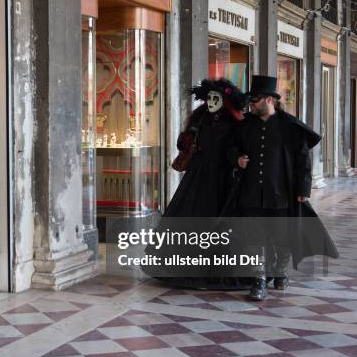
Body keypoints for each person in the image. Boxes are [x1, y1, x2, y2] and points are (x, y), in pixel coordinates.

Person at [225, 75, 339, 301]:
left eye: (255, 100)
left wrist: (303, 189)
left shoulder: (290, 126)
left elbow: (303, 160)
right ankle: (259, 281)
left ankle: (280, 270)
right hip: (251, 194)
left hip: (281, 194)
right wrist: (236, 159)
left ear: (269, 100)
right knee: (254, 238)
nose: (251, 104)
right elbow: (229, 148)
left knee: (282, 238)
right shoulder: (244, 126)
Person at [142, 79, 245, 288]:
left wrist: (236, 160)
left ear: (225, 101)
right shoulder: (199, 119)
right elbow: (185, 142)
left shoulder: (234, 123)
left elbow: (235, 147)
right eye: (208, 98)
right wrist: (187, 139)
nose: (211, 102)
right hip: (198, 175)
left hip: (222, 177)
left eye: (216, 98)